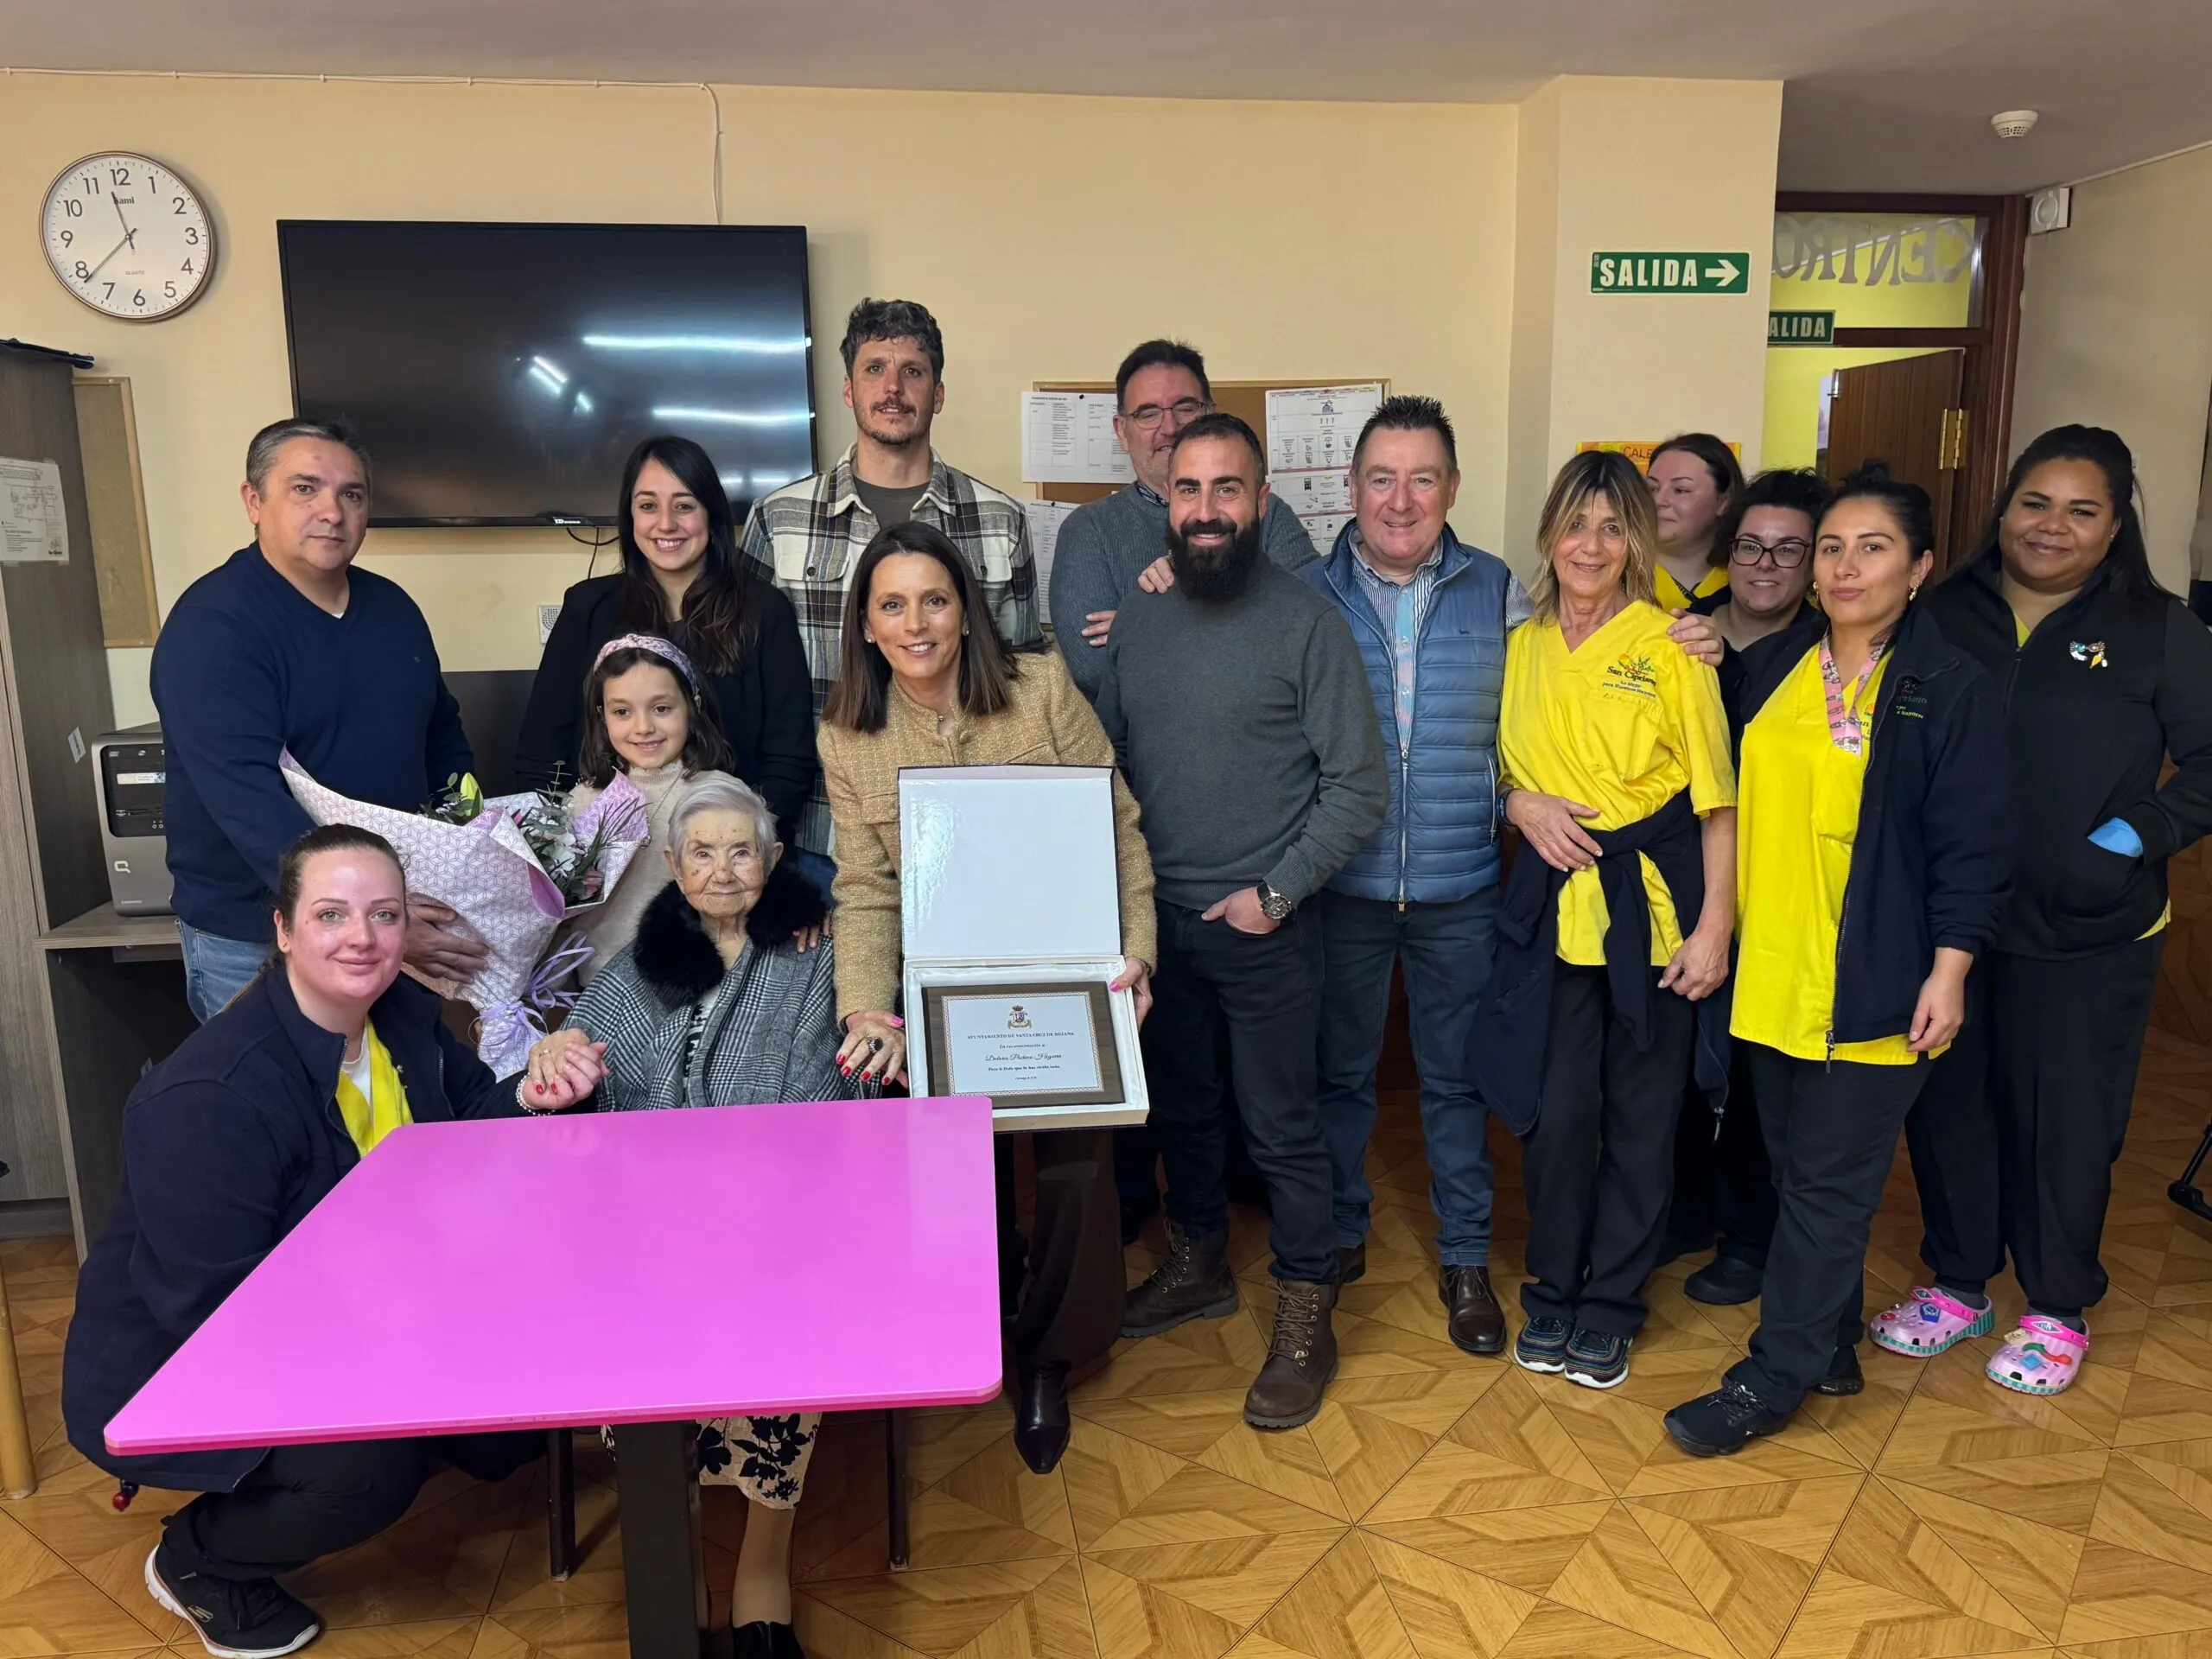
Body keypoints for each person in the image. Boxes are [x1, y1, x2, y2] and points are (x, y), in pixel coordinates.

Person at [63, 826, 544, 1659]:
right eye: (332, 913)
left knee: (514, 1417)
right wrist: (396, 1355)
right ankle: (197, 1560)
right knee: (367, 1472)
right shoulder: (211, 1095)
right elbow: (214, 1312)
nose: (361, 937)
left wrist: (536, 1095)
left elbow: (469, 1137)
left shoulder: (405, 1022)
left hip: (365, 1309)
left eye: (384, 915)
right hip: (195, 1354)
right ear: (283, 929)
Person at [1664, 464, 2011, 1456]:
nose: (1846, 565)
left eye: (1873, 548)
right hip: (1774, 974)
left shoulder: (1948, 687)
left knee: (1826, 1188)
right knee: (1792, 1170)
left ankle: (1772, 1376)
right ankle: (1830, 1348)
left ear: (1921, 567)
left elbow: (1974, 845)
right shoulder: (1776, 666)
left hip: (1877, 983)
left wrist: (1949, 970)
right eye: (1832, 547)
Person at [815, 522, 1153, 1475]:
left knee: (1078, 1161)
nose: (915, 623)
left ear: (965, 610)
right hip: (941, 991)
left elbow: (1116, 825)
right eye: (892, 605)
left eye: (933, 599)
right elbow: (867, 889)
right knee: (946, 1161)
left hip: (1064, 972)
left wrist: (1138, 957)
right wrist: (861, 1010)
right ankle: (971, 1333)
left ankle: (1049, 1354)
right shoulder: (848, 734)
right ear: (867, 628)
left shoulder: (1040, 688)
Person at [1882, 425, 2212, 1396]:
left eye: (2081, 510)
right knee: (1949, 1104)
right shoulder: (1939, 612)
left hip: (2089, 929)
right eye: (2035, 502)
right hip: (1950, 924)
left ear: (2114, 528)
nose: (2051, 527)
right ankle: (1956, 1282)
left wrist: (2124, 842)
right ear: (2003, 508)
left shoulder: (2158, 628)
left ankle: (2056, 1305)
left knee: (2063, 1120)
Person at [524, 772, 859, 1658]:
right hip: (648, 1234)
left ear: (775, 859)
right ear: (672, 865)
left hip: (781, 1228)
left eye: (741, 851)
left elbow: (854, 1079)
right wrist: (554, 1058)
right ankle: (671, 1559)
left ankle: (761, 1570)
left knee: (786, 1334)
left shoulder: (815, 950)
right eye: (701, 853)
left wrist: (883, 1040)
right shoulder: (636, 965)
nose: (722, 871)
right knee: (627, 1333)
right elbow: (575, 1074)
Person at [1098, 413, 1389, 1431]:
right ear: (1165, 503)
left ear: (1263, 504)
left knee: (1282, 1131)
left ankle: (1307, 1309)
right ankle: (1198, 1266)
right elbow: (1116, 768)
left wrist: (1275, 894)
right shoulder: (1141, 621)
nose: (1207, 509)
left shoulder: (1308, 625)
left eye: (1228, 490)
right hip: (1161, 929)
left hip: (1266, 926)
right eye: (1189, 489)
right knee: (1182, 1117)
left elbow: (1359, 786)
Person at [1472, 449, 1737, 1392]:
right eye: (1576, 524)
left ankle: (1613, 1306)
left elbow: (1718, 802)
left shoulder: (1671, 644)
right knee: (1554, 1119)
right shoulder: (1520, 648)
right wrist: (1517, 805)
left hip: (1654, 919)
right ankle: (1551, 1290)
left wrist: (1714, 930)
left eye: (1613, 525)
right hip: (1549, 920)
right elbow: (1498, 772)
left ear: (1640, 539)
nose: (1591, 544)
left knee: (1640, 1121)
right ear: (1549, 533)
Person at [1295, 395, 1527, 1353]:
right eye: (1381, 478)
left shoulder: (1500, 587)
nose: (1400, 500)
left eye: (1421, 478)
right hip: (1340, 889)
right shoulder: (1303, 593)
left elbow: (1581, 670)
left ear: (1452, 489)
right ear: (1348, 488)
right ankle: (1343, 1235)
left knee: (1454, 1082)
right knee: (1340, 1077)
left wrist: (1688, 635)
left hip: (1460, 886)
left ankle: (1466, 1257)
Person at [151, 420, 487, 1021]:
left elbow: (443, 739)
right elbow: (251, 807)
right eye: (305, 489)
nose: (332, 511)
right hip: (258, 938)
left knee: (396, 1102)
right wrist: (370, 917)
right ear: (254, 502)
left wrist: (468, 852)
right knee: (284, 1112)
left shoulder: (393, 609)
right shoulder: (213, 628)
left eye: (351, 495)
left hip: (389, 915)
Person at [741, 297, 1040, 856]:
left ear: (939, 393)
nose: (893, 388)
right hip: (817, 835)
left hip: (966, 824)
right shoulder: (779, 519)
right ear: (849, 391)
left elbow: (1019, 682)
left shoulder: (999, 520)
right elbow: (744, 691)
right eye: (874, 369)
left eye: (913, 371)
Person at [1662, 467, 1829, 1306]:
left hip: (1781, 896)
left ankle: (1748, 1233)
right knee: (1673, 1065)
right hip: (1677, 886)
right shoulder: (1679, 634)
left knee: (1758, 1080)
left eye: (1789, 549)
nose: (1766, 564)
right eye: (1752, 546)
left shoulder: (1827, 654)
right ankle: (1682, 1212)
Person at [516, 435, 816, 852]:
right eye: (648, 505)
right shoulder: (587, 608)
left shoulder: (765, 611)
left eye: (684, 505)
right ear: (630, 516)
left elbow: (789, 762)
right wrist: (563, 859)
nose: (666, 524)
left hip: (728, 863)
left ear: (711, 514)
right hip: (602, 867)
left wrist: (735, 851)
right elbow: (542, 754)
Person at [1050, 339, 1316, 699]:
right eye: (1147, 413)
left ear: (1211, 413)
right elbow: (1096, 673)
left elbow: (1307, 639)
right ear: (1121, 431)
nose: (1170, 427)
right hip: (1136, 754)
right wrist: (1242, 625)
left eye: (1186, 408)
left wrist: (1145, 625)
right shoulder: (1087, 530)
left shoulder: (1267, 513)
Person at [552, 634, 738, 983]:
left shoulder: (722, 795)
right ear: (601, 716)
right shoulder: (583, 800)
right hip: (600, 987)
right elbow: (560, 917)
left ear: (693, 706)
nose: (643, 727)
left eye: (662, 709)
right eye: (622, 712)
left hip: (697, 982)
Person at [1645, 433, 1745, 612]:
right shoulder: (1618, 575)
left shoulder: (1748, 579)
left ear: (1723, 501)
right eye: (1652, 488)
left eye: (1681, 490)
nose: (1659, 500)